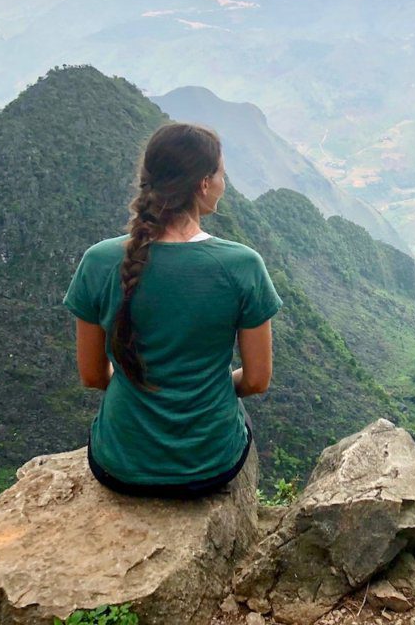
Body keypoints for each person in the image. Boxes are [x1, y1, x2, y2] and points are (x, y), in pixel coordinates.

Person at [63, 122, 281, 498]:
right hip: (210, 465)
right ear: (203, 184)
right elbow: (257, 380)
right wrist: (207, 386)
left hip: (120, 465)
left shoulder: (98, 261)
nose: (224, 185)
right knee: (238, 419)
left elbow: (93, 375)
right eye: (222, 176)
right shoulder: (241, 265)